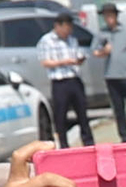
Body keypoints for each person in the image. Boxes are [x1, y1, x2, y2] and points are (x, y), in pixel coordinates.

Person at [38, 10, 94, 147]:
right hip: (60, 81)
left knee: (82, 112)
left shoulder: (72, 40)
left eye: (70, 28)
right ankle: (63, 144)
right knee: (61, 114)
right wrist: (64, 62)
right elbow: (45, 62)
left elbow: (77, 54)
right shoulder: (47, 41)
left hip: (74, 78)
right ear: (58, 26)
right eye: (66, 28)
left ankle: (88, 142)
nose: (68, 31)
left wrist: (79, 59)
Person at [94, 3, 126, 143]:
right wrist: (104, 51)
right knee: (119, 110)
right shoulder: (102, 33)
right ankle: (124, 137)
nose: (108, 18)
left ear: (116, 16)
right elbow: (95, 52)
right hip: (112, 76)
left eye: (111, 15)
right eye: (106, 16)